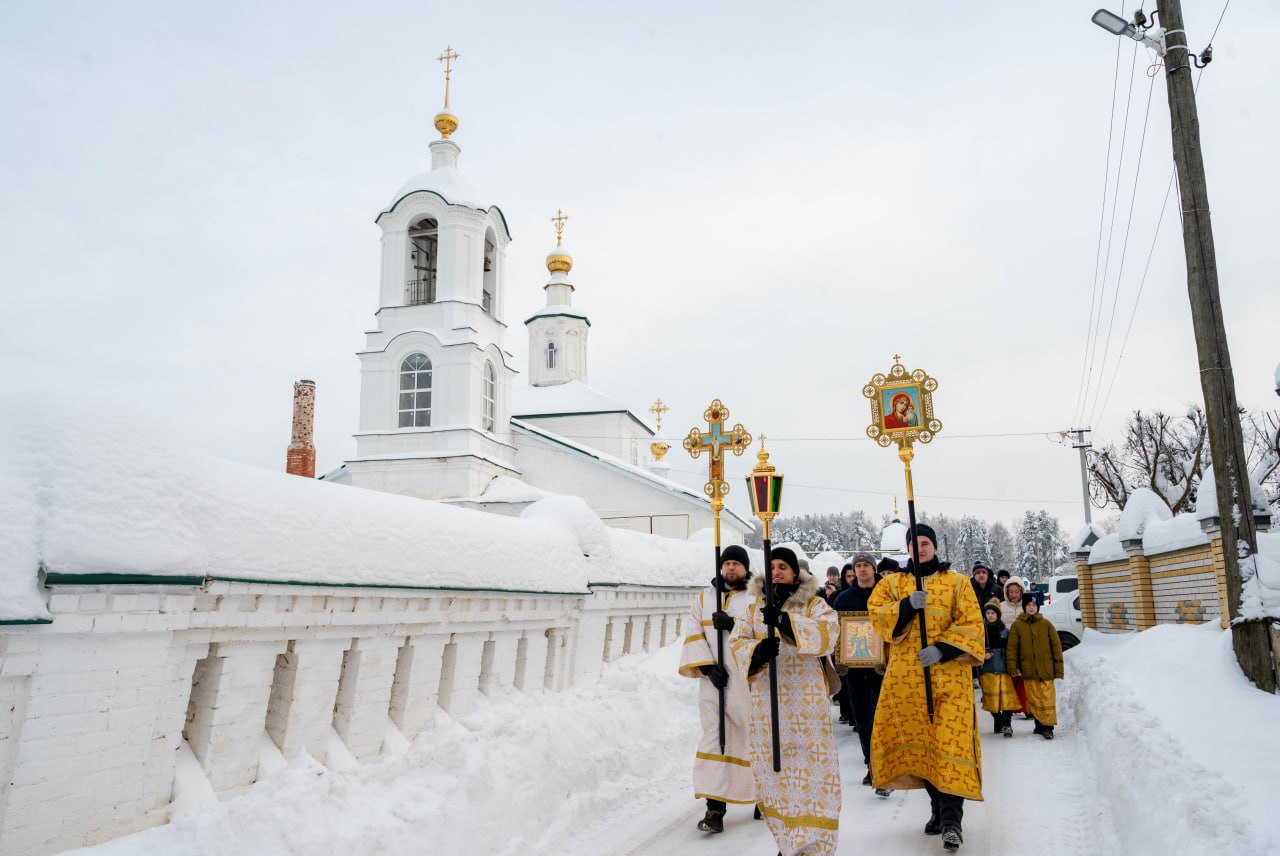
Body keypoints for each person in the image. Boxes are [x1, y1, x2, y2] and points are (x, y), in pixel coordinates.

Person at [867, 524, 983, 852]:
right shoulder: (892, 584)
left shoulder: (958, 582)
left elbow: (972, 623)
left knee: (950, 747)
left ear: (934, 546)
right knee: (925, 749)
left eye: (925, 543)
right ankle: (937, 811)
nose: (920, 549)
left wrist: (944, 649)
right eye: (914, 544)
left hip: (950, 680)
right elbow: (876, 617)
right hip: (908, 682)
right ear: (907, 549)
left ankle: (952, 822)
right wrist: (905, 607)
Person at [730, 547, 840, 855]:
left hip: (807, 707)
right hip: (768, 707)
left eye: (783, 566)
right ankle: (788, 842)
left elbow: (827, 634)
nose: (777, 571)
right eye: (772, 566)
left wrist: (785, 622)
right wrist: (758, 653)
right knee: (776, 775)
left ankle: (813, 844)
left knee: (812, 775)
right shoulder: (753, 609)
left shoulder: (815, 604)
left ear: (795, 573)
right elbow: (737, 642)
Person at [677, 544, 758, 833]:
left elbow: (761, 633)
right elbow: (693, 632)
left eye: (737, 563)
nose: (731, 568)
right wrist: (709, 668)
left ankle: (762, 795)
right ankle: (714, 809)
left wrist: (733, 624)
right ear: (721, 567)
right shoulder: (704, 597)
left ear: (746, 568)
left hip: (747, 680)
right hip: (713, 681)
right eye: (727, 564)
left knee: (751, 734)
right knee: (715, 737)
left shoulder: (755, 598)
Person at [832, 552, 890, 797]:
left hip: (882, 668)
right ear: (853, 571)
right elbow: (835, 631)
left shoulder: (885, 596)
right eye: (859, 566)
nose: (863, 569)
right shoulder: (843, 600)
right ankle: (872, 764)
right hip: (854, 670)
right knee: (863, 719)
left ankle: (887, 765)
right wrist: (839, 660)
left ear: (874, 570)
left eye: (867, 565)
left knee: (883, 718)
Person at [1007, 597, 1064, 739]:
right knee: (1034, 698)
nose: (1031, 607)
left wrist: (1058, 669)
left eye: (1034, 605)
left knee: (1047, 698)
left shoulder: (1046, 624)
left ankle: (1048, 728)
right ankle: (1039, 725)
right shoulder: (1017, 625)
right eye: (1028, 605)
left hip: (1046, 669)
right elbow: (1012, 648)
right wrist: (1012, 667)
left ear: (1038, 607)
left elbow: (1056, 648)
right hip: (1029, 670)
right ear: (1024, 607)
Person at [979, 600, 1016, 738]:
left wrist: (1013, 665)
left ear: (998, 614)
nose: (990, 615)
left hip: (1003, 669)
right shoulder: (980, 630)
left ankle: (1006, 724)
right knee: (990, 699)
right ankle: (998, 719)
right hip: (987, 670)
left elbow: (1011, 650)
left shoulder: (1005, 631)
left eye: (993, 613)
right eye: (987, 613)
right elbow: (974, 647)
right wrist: (982, 654)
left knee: (1007, 698)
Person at [999, 579, 1029, 716]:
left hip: (1024, 646)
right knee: (1010, 674)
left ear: (1022, 591)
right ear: (1006, 593)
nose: (1014, 594)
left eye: (1016, 591)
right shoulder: (1001, 606)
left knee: (1024, 676)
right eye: (1010, 592)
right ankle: (1010, 705)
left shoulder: (1028, 606)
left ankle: (1025, 706)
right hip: (1007, 646)